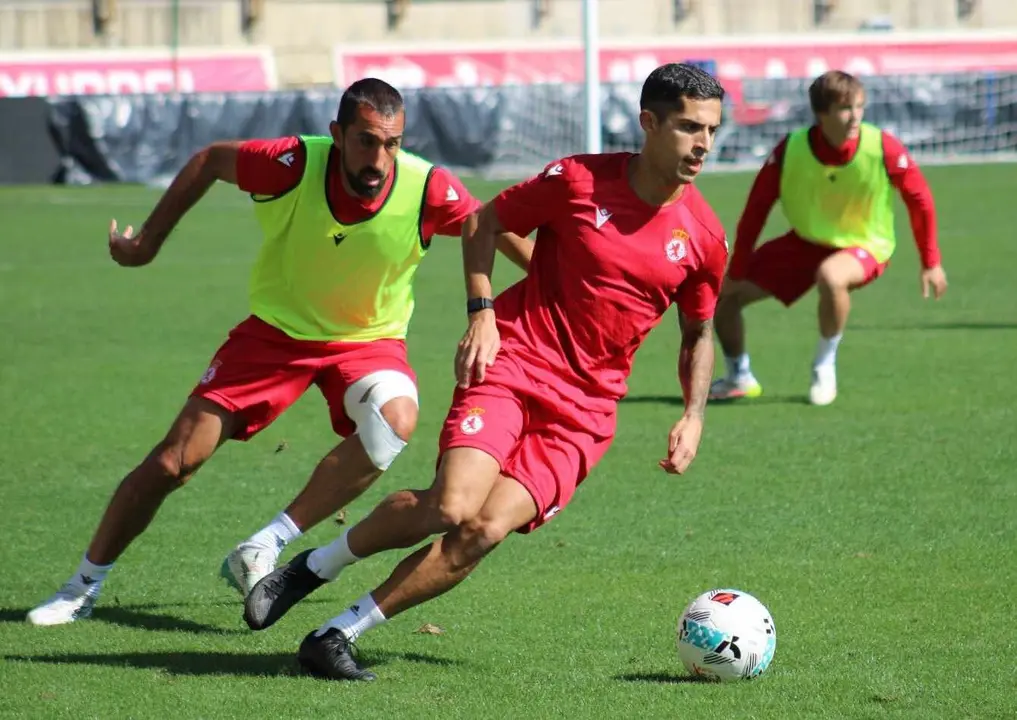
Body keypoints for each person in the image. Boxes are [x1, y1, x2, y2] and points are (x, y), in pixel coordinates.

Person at [242, 63, 729, 682]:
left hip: (586, 413)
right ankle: (315, 566)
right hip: (516, 364)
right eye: (689, 127)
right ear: (650, 123)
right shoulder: (578, 180)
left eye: (711, 130)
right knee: (452, 505)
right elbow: (483, 221)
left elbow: (699, 333)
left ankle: (338, 632)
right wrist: (483, 313)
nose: (703, 145)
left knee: (484, 529)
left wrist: (693, 414)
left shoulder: (706, 236)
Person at [27, 78, 531, 626]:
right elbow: (209, 160)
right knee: (176, 461)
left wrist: (559, 277)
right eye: (365, 141)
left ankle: (265, 544)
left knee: (395, 420)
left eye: (391, 144)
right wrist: (147, 242)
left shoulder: (425, 187)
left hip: (367, 342)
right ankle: (82, 585)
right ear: (337, 135)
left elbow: (487, 223)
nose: (380, 159)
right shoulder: (291, 164)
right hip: (274, 336)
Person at [709, 70, 947, 406]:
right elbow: (756, 209)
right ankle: (739, 375)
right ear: (822, 114)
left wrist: (931, 262)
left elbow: (919, 199)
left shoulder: (883, 147)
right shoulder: (790, 150)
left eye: (860, 107)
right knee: (723, 297)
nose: (855, 117)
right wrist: (739, 267)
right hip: (804, 243)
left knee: (832, 276)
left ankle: (824, 365)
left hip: (865, 244)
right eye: (845, 108)